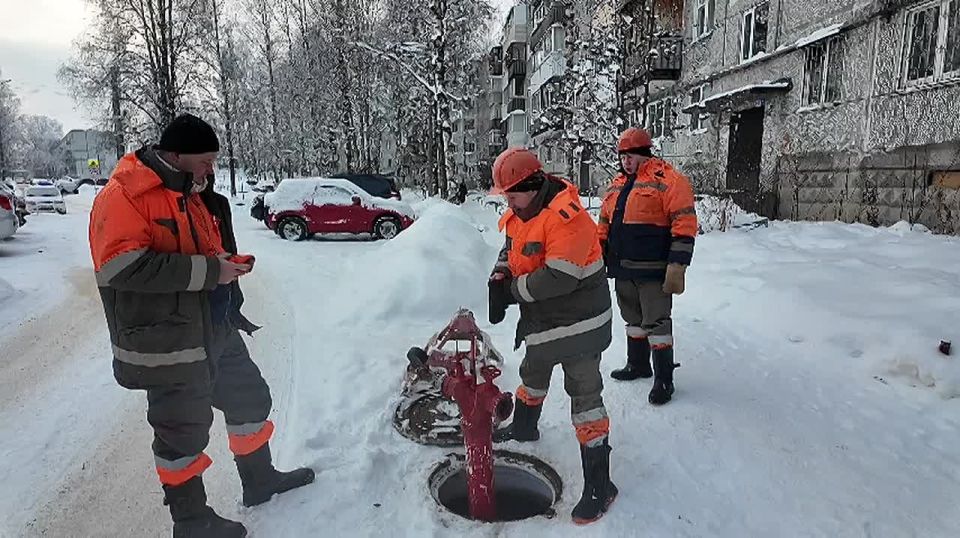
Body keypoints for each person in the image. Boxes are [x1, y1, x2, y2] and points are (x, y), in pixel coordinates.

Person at [88, 114, 314, 538]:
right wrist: (212, 272)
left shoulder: (188, 190)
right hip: (167, 338)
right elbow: (121, 268)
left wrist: (226, 268)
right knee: (180, 432)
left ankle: (259, 480)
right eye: (205, 160)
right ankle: (191, 522)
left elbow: (201, 250)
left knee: (249, 397)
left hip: (214, 327)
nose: (211, 170)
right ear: (176, 155)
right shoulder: (125, 195)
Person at [487, 148, 617, 525]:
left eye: (512, 194)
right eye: (505, 196)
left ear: (533, 185)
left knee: (586, 398)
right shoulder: (521, 212)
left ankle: (600, 485)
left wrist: (511, 291)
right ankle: (525, 427)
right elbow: (511, 248)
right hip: (544, 321)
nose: (507, 202)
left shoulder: (568, 218)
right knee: (533, 371)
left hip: (581, 324)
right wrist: (499, 274)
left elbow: (559, 277)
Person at [598, 128, 698, 406]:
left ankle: (664, 378)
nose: (625, 161)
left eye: (630, 156)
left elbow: (684, 223)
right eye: (622, 156)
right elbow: (604, 222)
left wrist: (678, 264)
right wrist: (599, 254)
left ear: (644, 154)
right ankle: (638, 364)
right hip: (622, 267)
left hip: (653, 269)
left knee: (657, 322)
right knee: (632, 318)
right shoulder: (617, 184)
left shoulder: (669, 180)